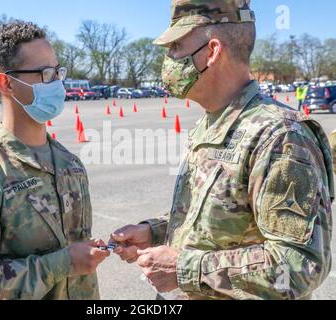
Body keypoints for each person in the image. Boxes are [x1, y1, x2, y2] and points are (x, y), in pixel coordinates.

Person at [111, 0, 334, 300]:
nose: (169, 58)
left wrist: (183, 269)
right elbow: (220, 217)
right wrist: (156, 231)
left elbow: (300, 264)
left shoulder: (279, 136)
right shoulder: (214, 121)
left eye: (176, 46)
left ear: (212, 51)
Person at [0, 21, 110, 300]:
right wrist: (63, 263)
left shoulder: (70, 165)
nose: (57, 83)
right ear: (6, 83)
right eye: (45, 73)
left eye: (58, 71)